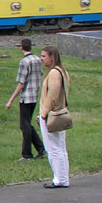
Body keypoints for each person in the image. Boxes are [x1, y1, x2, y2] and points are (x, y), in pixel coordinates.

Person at [4, 38, 46, 161]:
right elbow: (40, 74)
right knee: (27, 123)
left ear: (21, 47)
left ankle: (27, 154)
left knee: (24, 126)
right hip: (35, 96)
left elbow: (21, 83)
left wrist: (11, 100)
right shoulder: (38, 59)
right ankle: (41, 149)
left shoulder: (24, 62)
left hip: (26, 97)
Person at [38, 46, 71, 189]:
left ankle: (59, 179)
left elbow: (52, 95)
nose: (41, 58)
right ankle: (62, 177)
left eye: (44, 56)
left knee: (53, 148)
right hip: (59, 113)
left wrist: (44, 114)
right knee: (60, 148)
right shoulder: (62, 72)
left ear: (52, 57)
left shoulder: (53, 73)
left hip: (52, 114)